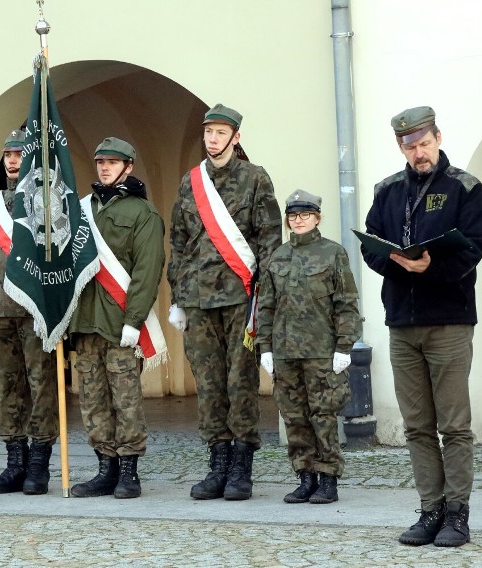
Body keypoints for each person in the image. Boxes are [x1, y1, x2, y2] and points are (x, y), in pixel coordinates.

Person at [361, 106, 482, 547]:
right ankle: (430, 510)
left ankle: (458, 514)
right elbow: (371, 245)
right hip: (401, 321)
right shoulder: (387, 190)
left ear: (438, 137)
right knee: (417, 425)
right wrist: (396, 262)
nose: (419, 152)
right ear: (401, 147)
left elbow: (472, 249)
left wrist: (430, 266)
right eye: (410, 146)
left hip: (449, 321)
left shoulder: (465, 188)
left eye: (425, 143)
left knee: (454, 425)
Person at [167, 104, 282, 501]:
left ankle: (241, 468)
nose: (212, 139)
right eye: (208, 133)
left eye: (220, 133)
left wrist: (263, 297)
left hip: (240, 298)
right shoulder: (190, 182)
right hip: (198, 301)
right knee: (209, 384)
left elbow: (269, 240)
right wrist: (177, 296)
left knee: (241, 382)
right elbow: (178, 242)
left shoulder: (255, 179)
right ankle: (217, 464)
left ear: (236, 137)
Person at [68, 137, 166, 499]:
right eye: (100, 162)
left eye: (112, 162)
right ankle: (104, 469)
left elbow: (148, 269)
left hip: (119, 322)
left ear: (128, 166)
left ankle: (129, 472)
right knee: (92, 400)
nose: (104, 168)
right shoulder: (80, 211)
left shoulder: (143, 214)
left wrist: (134, 320)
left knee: (125, 399)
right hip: (85, 323)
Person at [0, 129, 59, 495]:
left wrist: (52, 306)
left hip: (35, 313)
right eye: (7, 154)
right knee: (7, 389)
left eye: (19, 153)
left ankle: (39, 464)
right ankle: (14, 462)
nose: (12, 159)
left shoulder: (47, 204)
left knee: (41, 388)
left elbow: (58, 258)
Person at [256, 190, 361, 505]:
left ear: (317, 217)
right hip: (285, 352)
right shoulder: (277, 257)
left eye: (304, 214)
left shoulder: (333, 254)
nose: (297, 220)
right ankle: (305, 476)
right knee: (294, 416)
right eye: (293, 215)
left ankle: (327, 478)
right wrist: (265, 348)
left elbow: (346, 303)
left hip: (321, 350)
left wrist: (344, 345)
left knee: (323, 415)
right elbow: (266, 307)